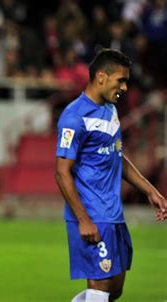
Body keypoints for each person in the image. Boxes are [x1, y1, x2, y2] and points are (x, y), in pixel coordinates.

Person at [54, 48, 166, 302]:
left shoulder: (110, 110)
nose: (125, 88)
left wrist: (152, 191)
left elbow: (117, 157)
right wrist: (83, 219)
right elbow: (61, 173)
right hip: (91, 213)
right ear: (101, 77)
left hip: (113, 213)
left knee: (114, 289)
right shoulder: (74, 117)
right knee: (100, 286)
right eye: (121, 80)